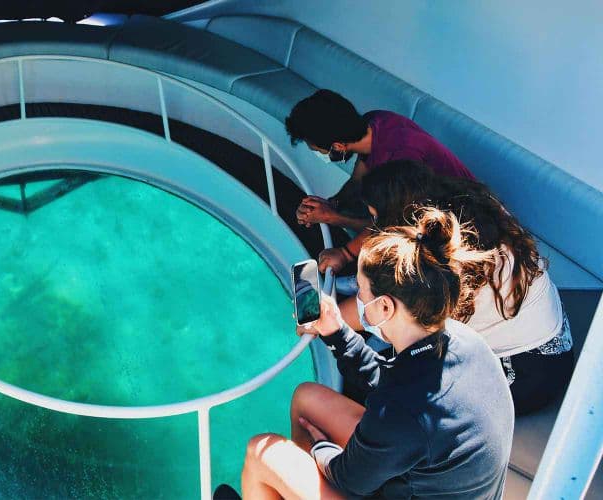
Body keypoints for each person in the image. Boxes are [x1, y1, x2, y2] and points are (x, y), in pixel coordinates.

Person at [236, 208, 514, 499]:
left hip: (387, 478)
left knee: (261, 453)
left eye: (361, 290)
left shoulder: (403, 412)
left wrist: (319, 448)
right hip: (425, 470)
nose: (356, 298)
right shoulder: (461, 340)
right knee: (308, 397)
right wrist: (336, 332)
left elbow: (348, 478)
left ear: (385, 307)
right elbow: (391, 382)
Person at [338, 160, 574, 415]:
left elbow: (369, 314)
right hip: (555, 337)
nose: (373, 228)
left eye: (376, 218)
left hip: (527, 375)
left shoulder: (438, 264)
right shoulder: (469, 205)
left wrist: (327, 321)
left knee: (391, 396)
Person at [285, 89, 475, 273]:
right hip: (417, 204)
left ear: (338, 146)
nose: (320, 155)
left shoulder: (401, 159)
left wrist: (344, 251)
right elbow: (357, 181)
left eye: (319, 151)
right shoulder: (374, 122)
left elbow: (393, 225)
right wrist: (332, 204)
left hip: (464, 221)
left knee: (392, 248)